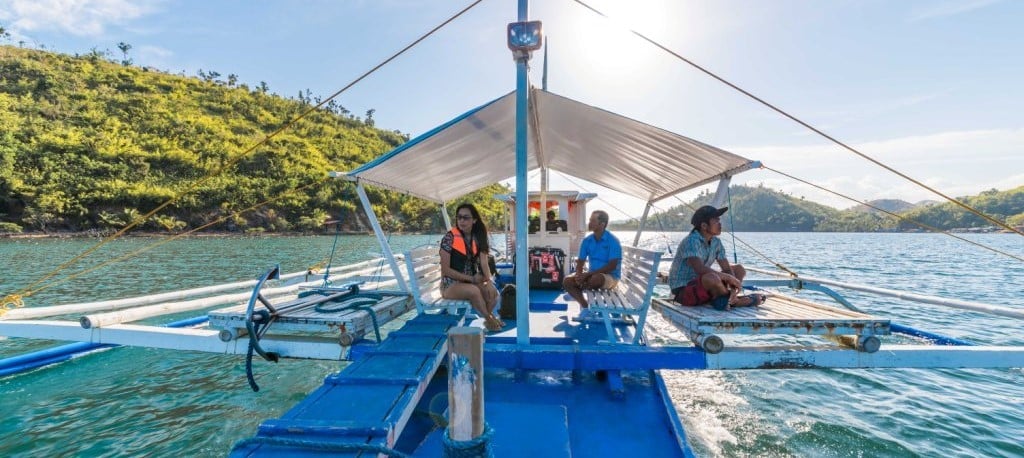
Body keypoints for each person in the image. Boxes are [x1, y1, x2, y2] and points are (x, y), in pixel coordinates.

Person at [667, 205, 765, 311]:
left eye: (719, 220)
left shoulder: (716, 242)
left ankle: (729, 298)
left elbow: (727, 269)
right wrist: (729, 278)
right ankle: (735, 302)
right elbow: (699, 269)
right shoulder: (691, 241)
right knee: (712, 277)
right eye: (716, 221)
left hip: (704, 285)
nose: (720, 224)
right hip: (684, 290)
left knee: (739, 269)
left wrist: (732, 288)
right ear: (704, 226)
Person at [439, 203, 503, 331]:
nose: (461, 220)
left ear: (474, 220)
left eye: (466, 217)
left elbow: (484, 263)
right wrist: (472, 279)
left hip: (469, 282)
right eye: (459, 217)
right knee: (474, 291)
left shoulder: (478, 237)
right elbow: (445, 270)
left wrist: (489, 281)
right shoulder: (449, 238)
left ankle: (488, 317)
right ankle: (490, 319)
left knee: (493, 294)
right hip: (450, 285)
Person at [563, 210, 622, 319]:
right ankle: (585, 307)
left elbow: (612, 266)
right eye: (590, 220)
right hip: (591, 275)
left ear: (602, 224)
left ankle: (576, 292)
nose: (589, 223)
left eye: (593, 220)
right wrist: (578, 274)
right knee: (567, 281)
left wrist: (587, 274)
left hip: (611, 277)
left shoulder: (613, 241)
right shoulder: (587, 240)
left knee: (595, 279)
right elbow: (580, 261)